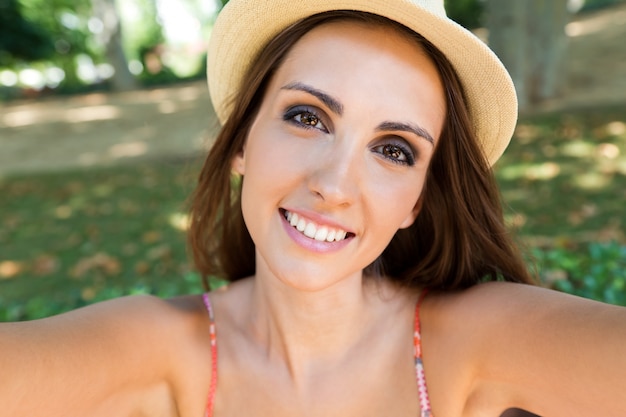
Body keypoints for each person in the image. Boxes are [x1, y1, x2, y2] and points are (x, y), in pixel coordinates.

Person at [1, 0, 625, 416]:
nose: (334, 183)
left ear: (417, 201)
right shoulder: (156, 348)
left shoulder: (480, 339)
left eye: (393, 149)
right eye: (307, 117)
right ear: (242, 139)